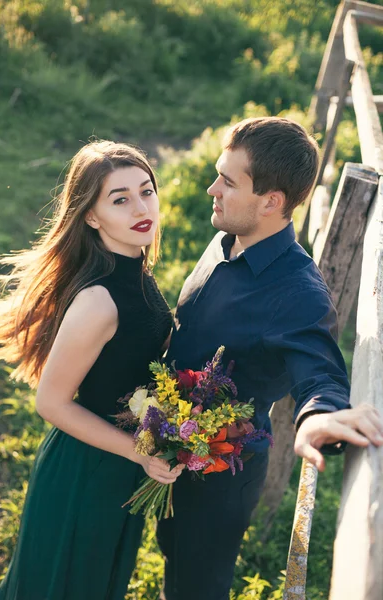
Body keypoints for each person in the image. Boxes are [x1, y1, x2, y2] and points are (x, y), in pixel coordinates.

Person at [156, 117, 383, 600]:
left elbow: (319, 372)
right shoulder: (227, 235)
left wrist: (320, 417)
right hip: (170, 448)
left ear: (271, 202)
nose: (212, 188)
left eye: (228, 181)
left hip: (221, 479)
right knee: (171, 558)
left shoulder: (297, 293)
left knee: (198, 586)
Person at [0, 140, 184, 600]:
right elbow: (50, 402)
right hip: (85, 470)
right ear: (91, 216)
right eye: (120, 199)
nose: (141, 207)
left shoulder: (135, 265)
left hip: (119, 464)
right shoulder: (98, 300)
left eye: (146, 191)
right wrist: (138, 452)